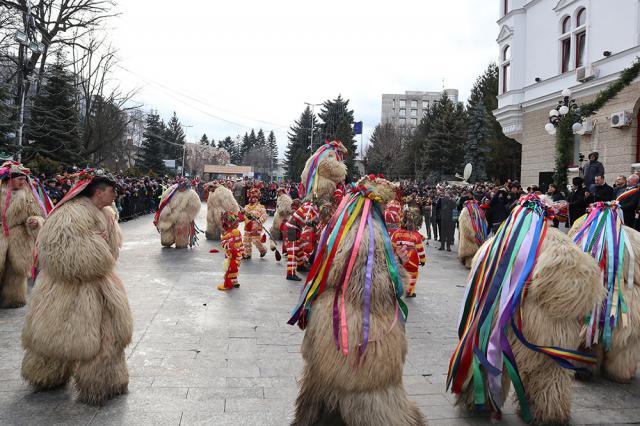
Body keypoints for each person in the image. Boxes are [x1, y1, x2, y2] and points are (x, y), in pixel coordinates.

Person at [21, 169, 133, 405]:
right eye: (112, 191)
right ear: (99, 192)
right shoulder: (71, 214)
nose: (116, 195)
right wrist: (98, 258)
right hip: (71, 287)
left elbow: (110, 247)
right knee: (59, 334)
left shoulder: (104, 212)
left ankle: (102, 381)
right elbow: (60, 252)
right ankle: (47, 374)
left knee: (107, 336)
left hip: (98, 283)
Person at [0, 162, 47, 308]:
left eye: (25, 179)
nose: (23, 182)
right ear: (9, 178)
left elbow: (38, 215)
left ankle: (14, 298)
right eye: (20, 178)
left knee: (16, 270)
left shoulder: (28, 197)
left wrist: (34, 221)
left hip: (19, 237)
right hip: (1, 235)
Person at [154, 178, 201, 248]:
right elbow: (163, 200)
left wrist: (185, 215)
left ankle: (181, 243)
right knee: (166, 234)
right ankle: (167, 240)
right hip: (169, 215)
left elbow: (195, 207)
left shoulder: (192, 194)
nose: (182, 187)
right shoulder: (171, 190)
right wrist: (166, 209)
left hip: (181, 218)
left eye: (183, 185)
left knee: (181, 231)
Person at [391, 209, 426, 297]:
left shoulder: (396, 233)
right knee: (413, 274)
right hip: (412, 258)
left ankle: (397, 289)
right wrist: (423, 260)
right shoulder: (416, 235)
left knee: (398, 273)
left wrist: (392, 257)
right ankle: (409, 291)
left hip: (399, 257)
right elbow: (420, 249)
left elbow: (392, 246)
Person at [217, 211, 244, 291]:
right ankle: (229, 281)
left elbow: (240, 241)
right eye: (233, 223)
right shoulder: (226, 234)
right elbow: (223, 243)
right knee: (230, 268)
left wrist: (241, 250)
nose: (235, 225)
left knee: (235, 268)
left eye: (236, 223)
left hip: (237, 253)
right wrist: (229, 245)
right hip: (230, 255)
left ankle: (234, 281)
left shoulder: (238, 232)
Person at [242, 188, 267, 259]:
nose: (254, 199)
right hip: (248, 226)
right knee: (246, 240)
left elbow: (264, 215)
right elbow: (244, 216)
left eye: (256, 198)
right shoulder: (246, 207)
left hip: (256, 227)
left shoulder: (261, 207)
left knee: (256, 240)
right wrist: (243, 215)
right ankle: (247, 254)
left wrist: (260, 220)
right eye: (253, 198)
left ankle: (263, 250)